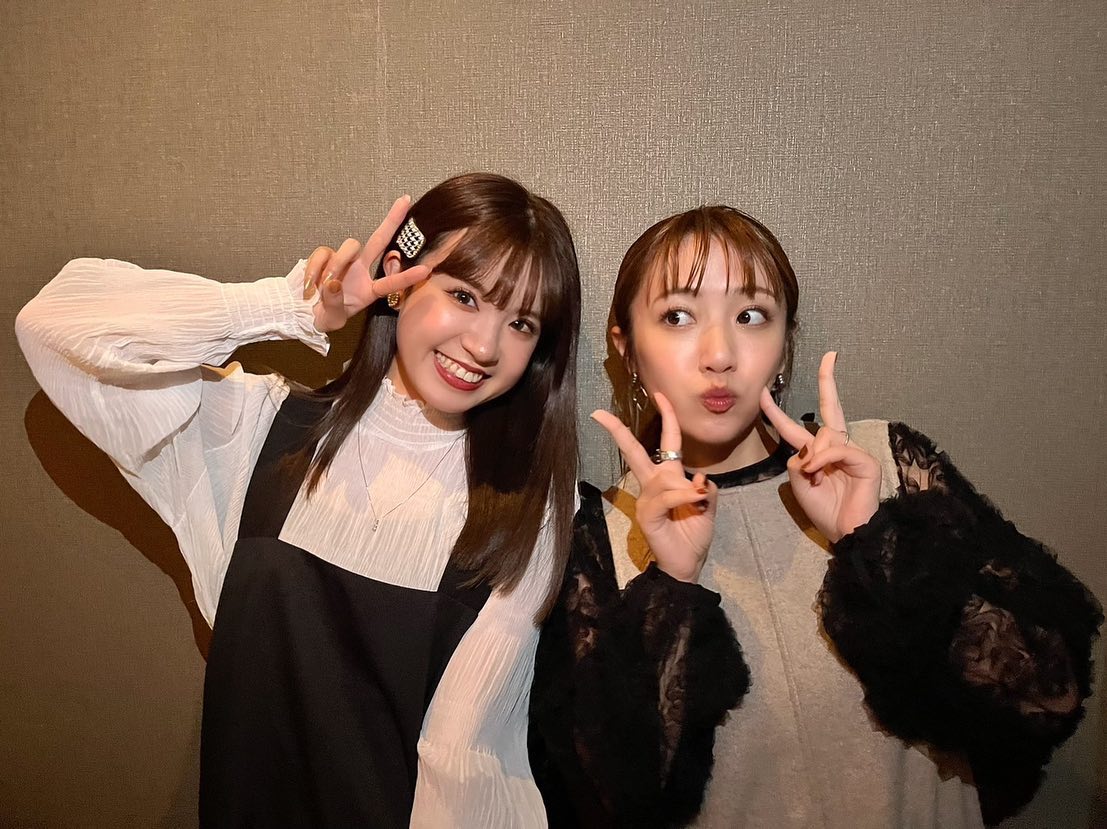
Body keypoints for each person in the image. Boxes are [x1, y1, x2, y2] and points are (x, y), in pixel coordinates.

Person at [16, 172, 582, 827]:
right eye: (463, 295)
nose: (484, 345)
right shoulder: (256, 427)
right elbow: (51, 327)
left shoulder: (530, 510)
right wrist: (292, 310)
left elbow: (465, 770)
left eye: (521, 323)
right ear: (398, 279)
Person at [529, 205, 1101, 828]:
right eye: (678, 316)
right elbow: (618, 800)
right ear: (628, 348)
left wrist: (872, 539)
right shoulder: (603, 535)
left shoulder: (886, 464)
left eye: (751, 316)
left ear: (784, 346)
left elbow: (1048, 694)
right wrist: (671, 583)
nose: (719, 354)